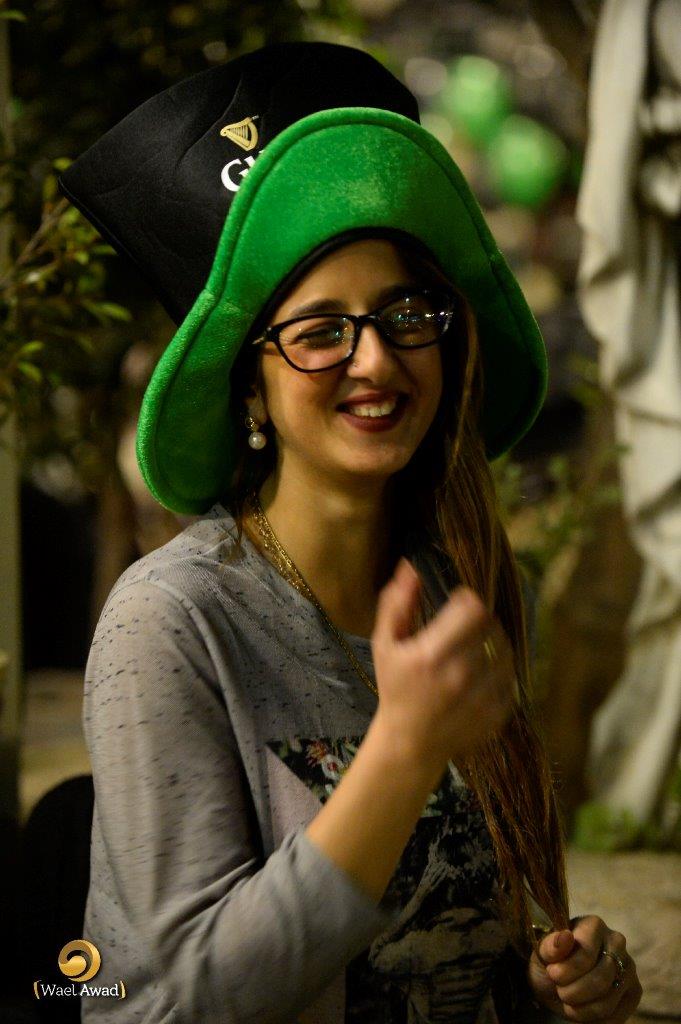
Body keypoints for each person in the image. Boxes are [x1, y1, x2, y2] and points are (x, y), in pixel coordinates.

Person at [58, 42, 643, 1024]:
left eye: (404, 314)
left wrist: (549, 984)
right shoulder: (170, 622)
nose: (374, 360)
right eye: (320, 331)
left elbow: (454, 948)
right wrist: (402, 752)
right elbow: (158, 1005)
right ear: (251, 385)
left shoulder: (470, 592)